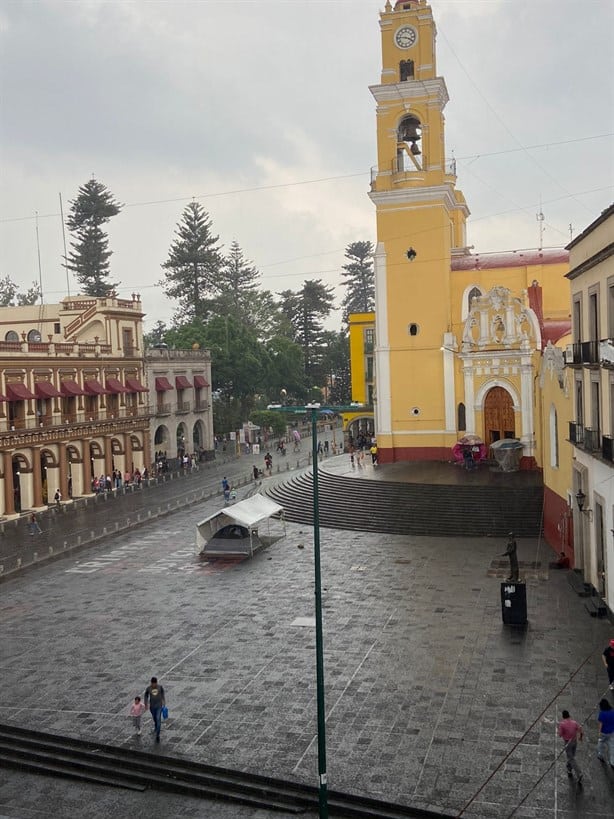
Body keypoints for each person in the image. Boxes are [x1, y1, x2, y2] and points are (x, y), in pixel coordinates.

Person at [558, 709, 583, 784]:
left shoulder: (562, 724)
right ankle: (569, 768)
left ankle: (579, 773)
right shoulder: (574, 722)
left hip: (568, 743)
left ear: (563, 716)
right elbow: (580, 729)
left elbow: (559, 735)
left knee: (571, 758)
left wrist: (558, 729)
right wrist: (581, 737)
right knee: (571, 756)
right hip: (574, 742)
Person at [144, 676, 166, 743]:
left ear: (156, 683)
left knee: (158, 718)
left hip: (159, 706)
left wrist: (163, 700)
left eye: (155, 683)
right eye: (152, 683)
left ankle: (158, 734)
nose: (154, 685)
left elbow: (162, 693)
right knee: (155, 718)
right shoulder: (148, 688)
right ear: (151, 683)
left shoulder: (160, 687)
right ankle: (156, 726)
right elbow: (146, 695)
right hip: (152, 707)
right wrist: (146, 703)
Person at [597, 697, 614, 767]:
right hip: (611, 732)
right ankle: (612, 761)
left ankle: (601, 755)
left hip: (604, 732)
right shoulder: (612, 712)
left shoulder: (602, 714)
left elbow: (601, 724)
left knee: (601, 742)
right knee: (612, 746)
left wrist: (599, 732)